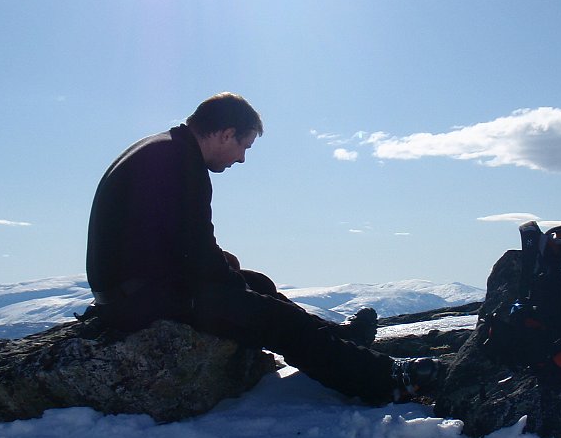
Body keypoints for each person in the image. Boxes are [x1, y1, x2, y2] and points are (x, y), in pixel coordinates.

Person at [83, 92, 434, 404]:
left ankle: (339, 340)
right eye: (244, 146)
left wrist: (233, 277)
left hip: (132, 289)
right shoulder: (180, 163)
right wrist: (235, 288)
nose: (241, 159)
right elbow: (194, 249)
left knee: (258, 285)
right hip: (140, 299)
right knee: (269, 315)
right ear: (225, 134)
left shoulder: (165, 149)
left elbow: (174, 239)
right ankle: (382, 380)